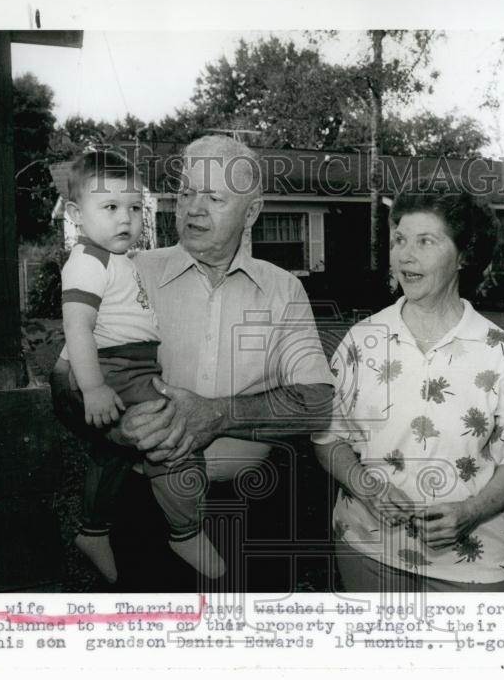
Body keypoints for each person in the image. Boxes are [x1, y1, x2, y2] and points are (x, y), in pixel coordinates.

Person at [50, 135, 335, 585]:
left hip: (250, 508)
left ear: (253, 212)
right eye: (186, 193)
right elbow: (63, 380)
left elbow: (318, 402)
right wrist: (116, 428)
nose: (193, 209)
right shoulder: (129, 271)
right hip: (144, 505)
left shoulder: (283, 290)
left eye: (215, 197)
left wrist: (217, 416)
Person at [313, 191, 504, 592]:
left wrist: (471, 511)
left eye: (426, 241)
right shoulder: (362, 340)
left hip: (470, 564)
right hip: (369, 551)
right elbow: (327, 435)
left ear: (463, 256)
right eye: (400, 239)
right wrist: (365, 486)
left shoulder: (499, 350)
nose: (405, 255)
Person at [57, 150, 221, 584]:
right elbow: (77, 327)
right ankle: (185, 530)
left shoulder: (118, 261)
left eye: (133, 207)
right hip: (114, 368)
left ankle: (93, 531)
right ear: (75, 214)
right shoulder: (87, 262)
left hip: (132, 365)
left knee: (111, 452)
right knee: (171, 434)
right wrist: (92, 388)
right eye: (109, 208)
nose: (125, 218)